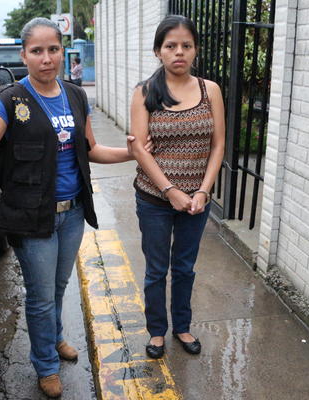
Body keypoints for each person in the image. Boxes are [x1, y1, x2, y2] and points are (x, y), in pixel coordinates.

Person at [0, 17, 150, 399]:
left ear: (63, 51)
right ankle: (45, 364)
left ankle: (56, 337)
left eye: (53, 49)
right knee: (41, 296)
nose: (47, 58)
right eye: (37, 51)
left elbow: (91, 150)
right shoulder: (9, 100)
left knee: (58, 287)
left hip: (74, 211)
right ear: (24, 56)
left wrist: (134, 153)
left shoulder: (76, 96)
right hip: (32, 218)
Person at [129, 15, 226, 360]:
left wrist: (202, 191)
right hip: (155, 198)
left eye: (186, 45)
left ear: (195, 49)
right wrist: (171, 190)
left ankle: (182, 326)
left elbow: (218, 145)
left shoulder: (209, 90)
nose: (179, 52)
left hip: (196, 203)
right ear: (158, 51)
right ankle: (157, 331)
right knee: (157, 269)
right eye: (171, 46)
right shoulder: (144, 93)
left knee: (184, 267)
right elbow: (140, 150)